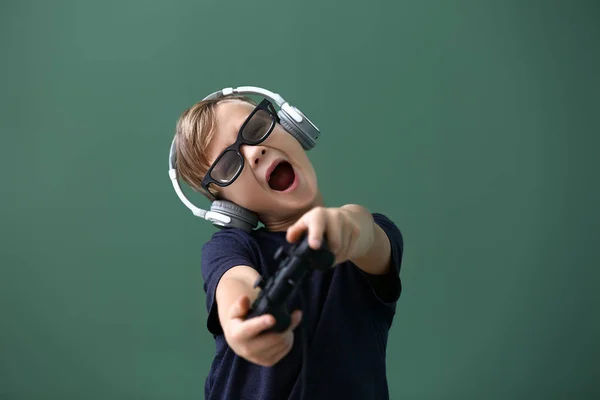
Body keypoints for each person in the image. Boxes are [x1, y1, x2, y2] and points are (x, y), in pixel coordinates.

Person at [172, 88, 404, 399]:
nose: (254, 152)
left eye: (255, 128)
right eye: (228, 166)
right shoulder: (231, 248)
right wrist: (243, 318)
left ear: (292, 126)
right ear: (228, 206)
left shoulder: (371, 238)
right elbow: (234, 282)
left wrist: (345, 226)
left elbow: (363, 231)